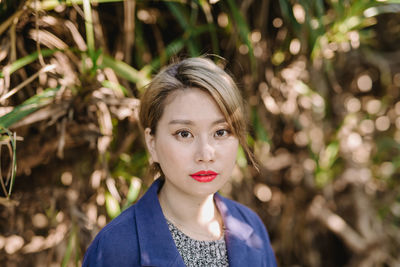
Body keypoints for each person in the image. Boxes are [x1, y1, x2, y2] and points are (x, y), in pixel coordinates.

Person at [82, 57, 277, 267]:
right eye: (184, 134)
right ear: (152, 143)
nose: (205, 153)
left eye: (221, 132)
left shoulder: (250, 228)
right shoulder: (116, 246)